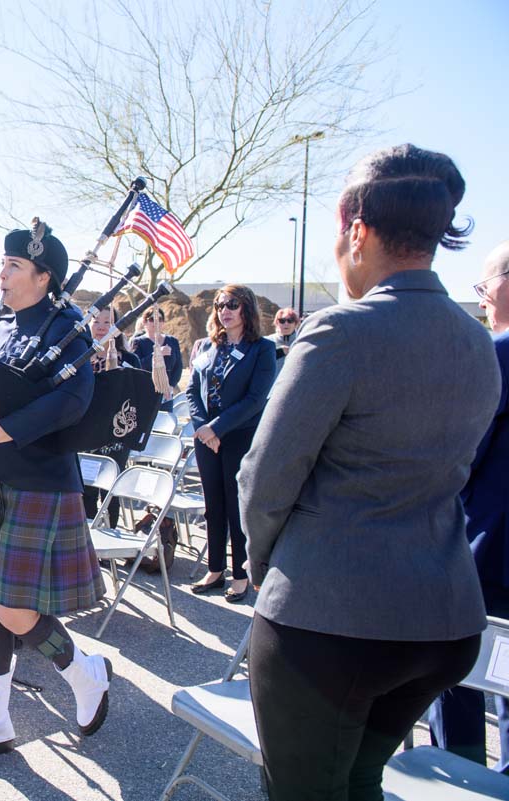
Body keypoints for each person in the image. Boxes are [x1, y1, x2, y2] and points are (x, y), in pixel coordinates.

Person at [238, 144, 500, 801]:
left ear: (356, 230)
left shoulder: (340, 332)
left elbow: (265, 477)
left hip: (328, 623)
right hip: (442, 625)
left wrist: (266, 569)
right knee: (358, 776)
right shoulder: (478, 342)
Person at [0, 221, 109, 760]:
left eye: (13, 266)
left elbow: (69, 405)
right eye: (3, 264)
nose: (2, 274)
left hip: (39, 480)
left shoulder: (69, 330)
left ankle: (85, 673)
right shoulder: (4, 327)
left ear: (43, 276)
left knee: (14, 610)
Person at [428, 240, 509, 772]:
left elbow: (459, 456)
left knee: (455, 676)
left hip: (487, 551)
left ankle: (459, 783)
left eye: (485, 284)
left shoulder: (498, 352)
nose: (481, 298)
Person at [186, 285, 276, 602]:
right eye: (221, 305)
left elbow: (255, 399)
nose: (225, 310)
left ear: (246, 310)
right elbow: (191, 392)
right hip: (206, 439)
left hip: (238, 437)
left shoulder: (262, 349)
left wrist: (217, 427)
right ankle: (215, 569)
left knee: (236, 506)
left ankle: (240, 574)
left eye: (232, 305)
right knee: (214, 506)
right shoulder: (208, 347)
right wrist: (202, 427)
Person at [82, 306, 141, 525]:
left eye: (108, 322)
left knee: (111, 489)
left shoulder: (130, 359)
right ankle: (91, 543)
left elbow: (137, 396)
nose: (101, 327)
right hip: (85, 431)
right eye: (96, 321)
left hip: (117, 431)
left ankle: (113, 533)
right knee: (87, 488)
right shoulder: (81, 357)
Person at [129, 306, 181, 412]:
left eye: (160, 319)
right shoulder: (137, 342)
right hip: (145, 392)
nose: (156, 323)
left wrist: (170, 386)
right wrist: (157, 354)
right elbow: (136, 366)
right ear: (144, 322)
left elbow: (178, 366)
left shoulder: (172, 341)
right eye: (152, 319)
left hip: (166, 394)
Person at [265, 307, 299, 382]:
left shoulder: (301, 342)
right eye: (282, 321)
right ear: (277, 323)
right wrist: (277, 352)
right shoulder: (266, 342)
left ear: (295, 323)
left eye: (290, 321)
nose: (286, 323)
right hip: (271, 389)